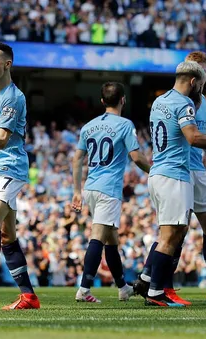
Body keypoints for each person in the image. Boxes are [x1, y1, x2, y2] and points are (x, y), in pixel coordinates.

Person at [134, 51, 206, 305]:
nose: (201, 77)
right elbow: (194, 137)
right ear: (192, 77)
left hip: (194, 169)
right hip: (178, 170)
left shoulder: (184, 101)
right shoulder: (185, 102)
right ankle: (160, 286)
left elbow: (202, 136)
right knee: (176, 230)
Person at [72, 82, 150, 302]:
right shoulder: (125, 125)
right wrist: (153, 171)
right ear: (123, 100)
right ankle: (84, 289)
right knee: (98, 236)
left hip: (91, 188)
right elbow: (136, 157)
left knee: (111, 239)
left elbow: (77, 158)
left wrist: (76, 191)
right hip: (109, 190)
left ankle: (123, 287)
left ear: (102, 101)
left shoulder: (88, 126)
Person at [0, 43, 40, 309]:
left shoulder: (13, 96)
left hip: (9, 166)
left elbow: (1, 139)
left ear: (7, 64)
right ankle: (29, 296)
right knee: (7, 235)